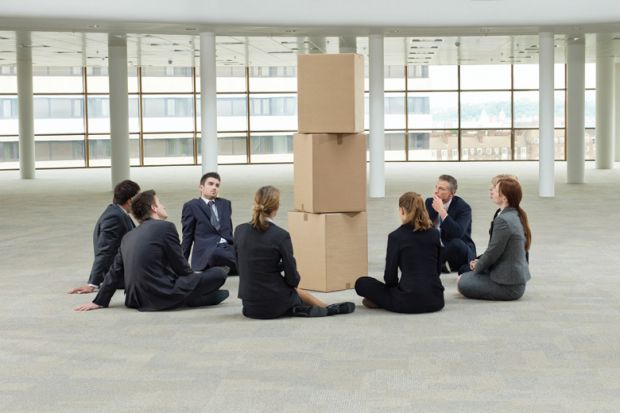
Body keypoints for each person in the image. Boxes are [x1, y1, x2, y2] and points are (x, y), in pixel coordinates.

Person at [74, 190, 229, 312]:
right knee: (219, 273)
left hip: (135, 299)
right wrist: (194, 284)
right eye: (160, 203)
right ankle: (192, 297)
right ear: (154, 208)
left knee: (209, 283)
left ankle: (196, 297)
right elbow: (181, 266)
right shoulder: (165, 227)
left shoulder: (128, 236)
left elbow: (114, 272)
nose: (164, 206)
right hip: (160, 295)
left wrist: (99, 301)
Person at [234, 185, 355, 319]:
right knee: (297, 292)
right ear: (276, 207)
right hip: (275, 303)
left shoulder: (239, 231)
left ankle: (297, 309)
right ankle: (326, 308)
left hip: (250, 307)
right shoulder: (280, 235)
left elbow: (241, 266)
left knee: (289, 291)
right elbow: (293, 278)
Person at [355, 192, 444, 314]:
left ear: (402, 210)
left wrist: (393, 291)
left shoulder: (396, 237)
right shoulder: (434, 234)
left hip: (407, 302)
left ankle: (381, 301)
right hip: (436, 300)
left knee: (361, 283)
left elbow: (390, 277)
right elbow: (437, 270)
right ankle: (383, 300)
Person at [457, 178, 532, 301]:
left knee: (461, 281)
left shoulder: (504, 220)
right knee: (464, 274)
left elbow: (493, 252)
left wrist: (478, 266)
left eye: (496, 190)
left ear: (504, 198)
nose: (492, 191)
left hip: (508, 286)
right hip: (511, 279)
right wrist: (479, 263)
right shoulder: (513, 214)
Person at [67, 179, 140, 294]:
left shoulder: (117, 212)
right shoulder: (114, 217)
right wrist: (93, 283)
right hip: (119, 275)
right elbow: (105, 250)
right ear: (130, 200)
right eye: (138, 199)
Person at [457, 174, 518, 275]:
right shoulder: (499, 212)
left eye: (494, 187)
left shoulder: (507, 218)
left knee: (464, 273)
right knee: (467, 265)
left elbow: (498, 251)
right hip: (498, 257)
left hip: (505, 265)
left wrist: (481, 263)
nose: (490, 189)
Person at [181, 172, 236, 274]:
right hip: (207, 252)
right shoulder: (192, 206)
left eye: (217, 185)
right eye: (210, 184)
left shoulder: (225, 204)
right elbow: (187, 236)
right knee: (219, 253)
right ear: (201, 188)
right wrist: (181, 266)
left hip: (227, 249)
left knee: (246, 251)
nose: (214, 187)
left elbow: (229, 231)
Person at [425, 174, 476, 273]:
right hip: (437, 246)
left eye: (441, 189)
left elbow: (458, 233)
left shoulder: (464, 208)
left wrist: (442, 211)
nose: (436, 191)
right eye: (436, 187)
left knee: (456, 244)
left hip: (455, 247)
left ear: (451, 194)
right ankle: (440, 263)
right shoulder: (429, 202)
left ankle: (435, 262)